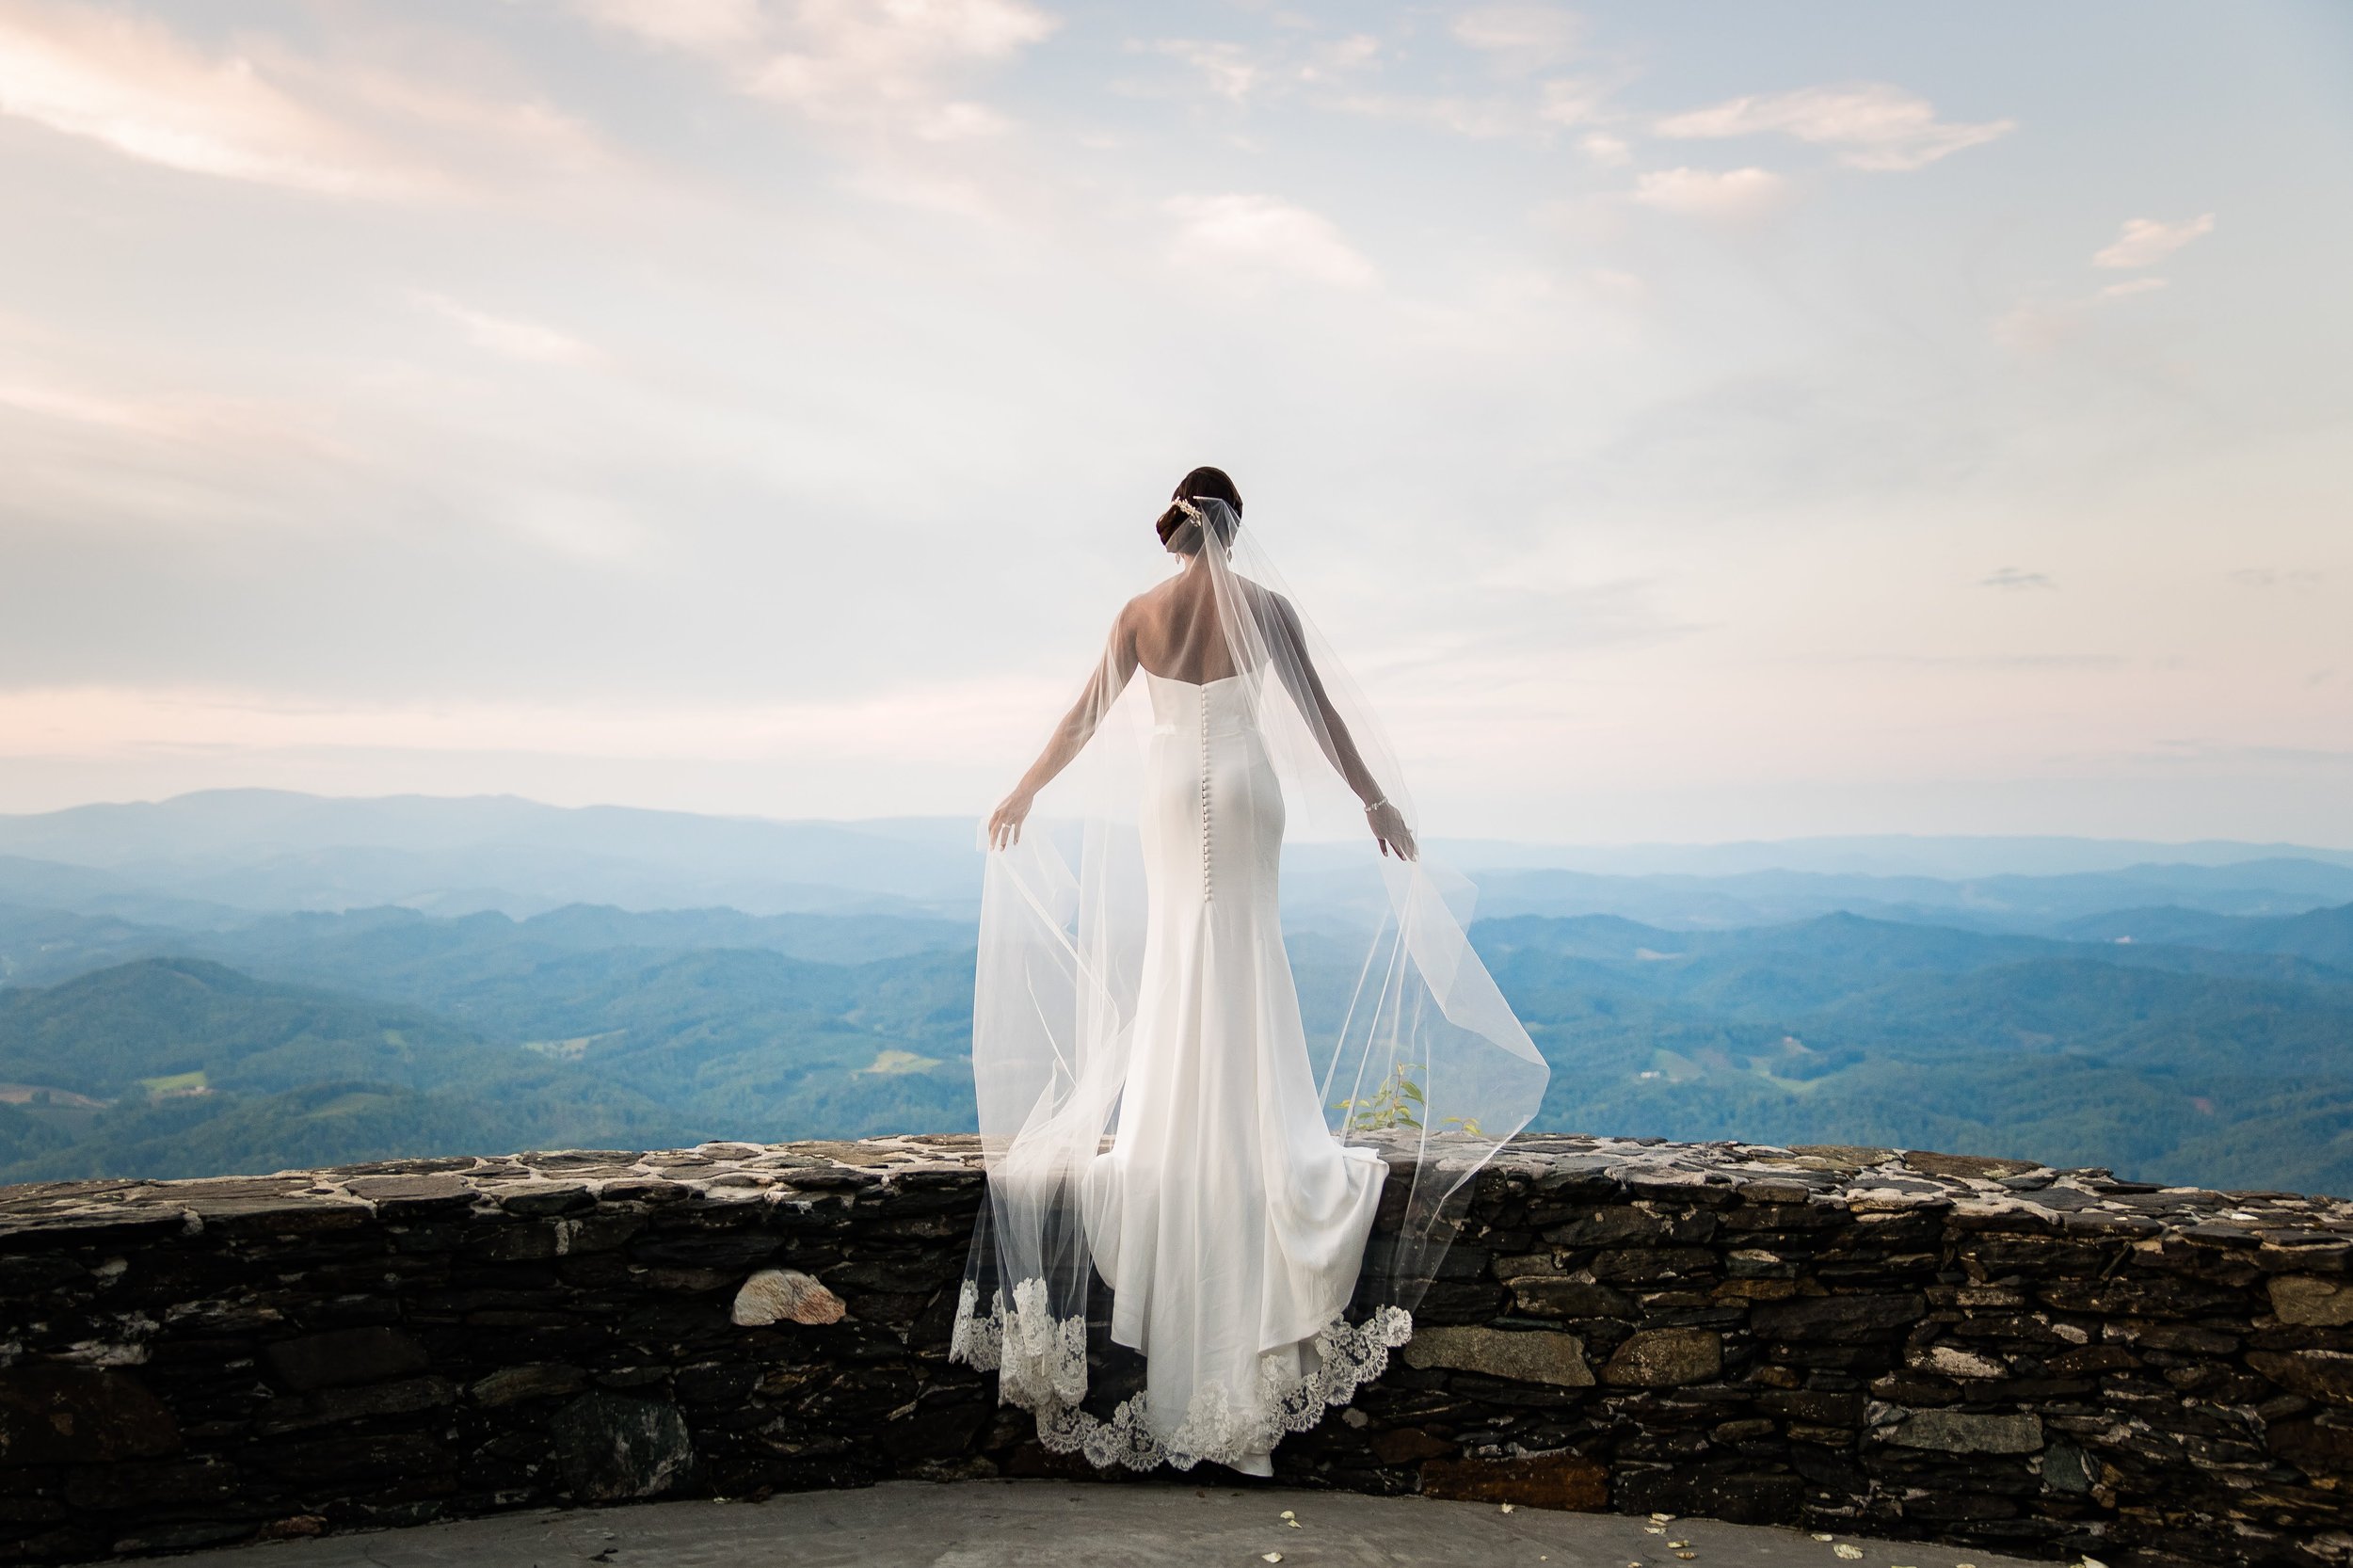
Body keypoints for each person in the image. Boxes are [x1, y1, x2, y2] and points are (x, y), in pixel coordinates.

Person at [951, 468, 1546, 1477]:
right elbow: (1320, 717)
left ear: (1176, 527)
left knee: (1184, 953)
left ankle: (1176, 1132)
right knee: (1244, 952)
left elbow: (1081, 721)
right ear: (1234, 525)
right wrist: (1373, 803)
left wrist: (1018, 792)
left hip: (1170, 795)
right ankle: (1254, 1133)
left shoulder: (1140, 613)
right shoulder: (1267, 609)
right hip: (1246, 787)